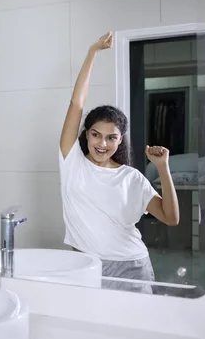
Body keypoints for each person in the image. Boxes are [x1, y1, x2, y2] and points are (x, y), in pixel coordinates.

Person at [59, 31, 180, 294]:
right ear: (86, 134)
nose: (102, 144)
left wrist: (163, 168)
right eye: (95, 135)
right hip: (86, 265)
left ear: (120, 140)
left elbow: (171, 218)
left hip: (131, 266)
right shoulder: (72, 163)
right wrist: (92, 52)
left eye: (111, 138)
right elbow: (77, 104)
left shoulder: (131, 178)